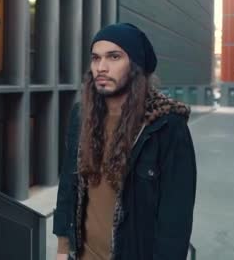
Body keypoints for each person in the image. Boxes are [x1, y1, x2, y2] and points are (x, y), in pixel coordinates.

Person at [53, 23, 197, 260]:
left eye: (114, 57)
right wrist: (61, 248)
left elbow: (175, 219)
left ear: (135, 66)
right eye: (95, 58)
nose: (101, 67)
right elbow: (69, 186)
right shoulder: (81, 116)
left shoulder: (167, 126)